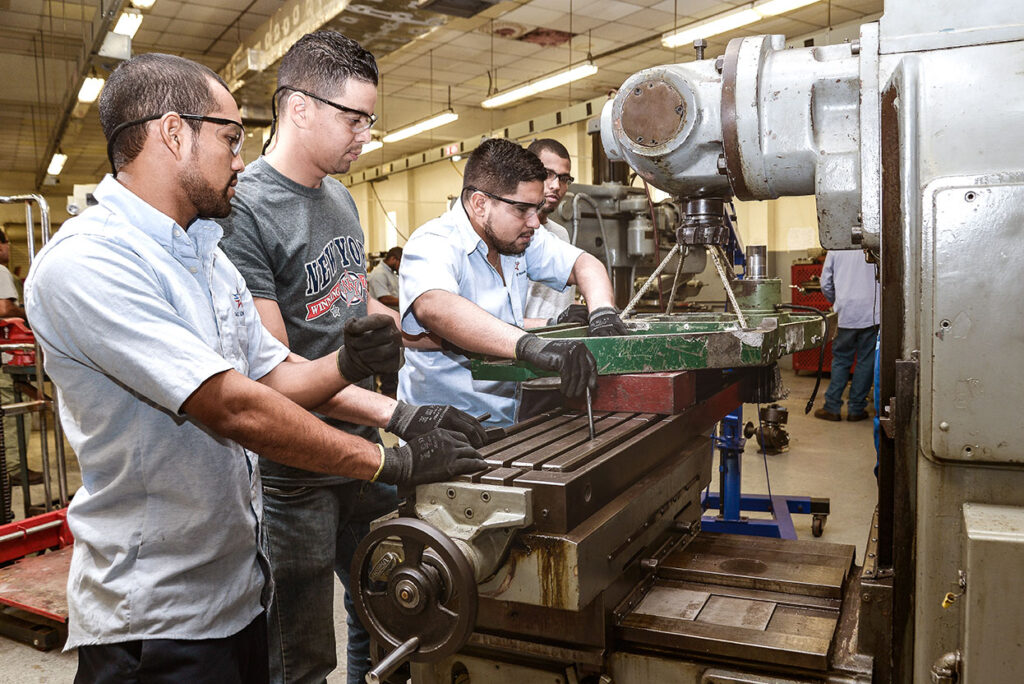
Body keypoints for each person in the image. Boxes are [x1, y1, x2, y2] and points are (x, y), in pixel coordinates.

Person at [23, 52, 485, 684]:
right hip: (157, 618)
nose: (241, 158)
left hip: (237, 588)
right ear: (173, 133)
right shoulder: (88, 262)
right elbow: (231, 405)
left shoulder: (208, 260)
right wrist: (388, 459)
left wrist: (366, 380)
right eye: (230, 139)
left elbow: (275, 376)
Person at [217, 32, 485, 684]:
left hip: (363, 452)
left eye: (370, 119)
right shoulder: (244, 210)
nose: (365, 134)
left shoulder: (338, 196)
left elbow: (352, 304)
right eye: (353, 118)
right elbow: (275, 376)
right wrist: (403, 415)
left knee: (392, 618)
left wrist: (427, 331)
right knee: (302, 654)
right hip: (295, 472)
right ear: (299, 108)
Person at [398, 138, 628, 427]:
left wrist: (602, 312)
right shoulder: (435, 243)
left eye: (537, 208)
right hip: (443, 426)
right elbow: (436, 306)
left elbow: (585, 264)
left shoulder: (520, 238)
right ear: (480, 204)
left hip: (507, 419)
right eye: (522, 210)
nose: (534, 222)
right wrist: (531, 346)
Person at [814, 248, 880, 422]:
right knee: (866, 361)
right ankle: (856, 409)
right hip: (871, 313)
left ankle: (832, 407)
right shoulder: (874, 244)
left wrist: (837, 301)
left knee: (841, 360)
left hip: (846, 313)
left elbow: (825, 283)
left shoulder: (837, 246)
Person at [523, 139, 581, 327]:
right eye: (548, 174)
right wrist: (552, 323)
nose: (556, 185)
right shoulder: (509, 236)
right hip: (521, 347)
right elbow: (495, 322)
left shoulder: (561, 234)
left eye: (564, 179)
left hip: (560, 343)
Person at [0, 228, 39, 494]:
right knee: (15, 411)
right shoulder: (1, 272)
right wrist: (26, 311)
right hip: (5, 355)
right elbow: (3, 308)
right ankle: (14, 469)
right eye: (7, 244)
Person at [367, 246, 401, 397]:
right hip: (380, 326)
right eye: (400, 262)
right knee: (387, 371)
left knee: (393, 370)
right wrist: (407, 301)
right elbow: (384, 298)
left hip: (390, 324)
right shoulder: (379, 274)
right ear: (393, 259)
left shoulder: (391, 274)